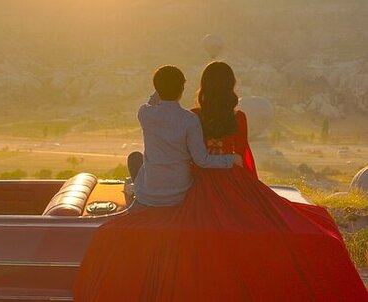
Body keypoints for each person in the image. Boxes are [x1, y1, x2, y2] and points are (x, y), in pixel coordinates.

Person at [74, 62, 367, 302]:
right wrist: (248, 186)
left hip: (196, 183)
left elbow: (192, 157)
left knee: (138, 162)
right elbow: (241, 156)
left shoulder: (190, 116)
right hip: (233, 181)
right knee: (299, 220)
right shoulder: (237, 118)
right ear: (231, 88)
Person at [130, 65, 242, 209]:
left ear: (157, 88)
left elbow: (151, 102)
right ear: (182, 90)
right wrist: (231, 159)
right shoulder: (190, 119)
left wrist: (159, 88)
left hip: (148, 194)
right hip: (179, 194)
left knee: (134, 158)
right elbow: (202, 160)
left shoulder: (144, 114)